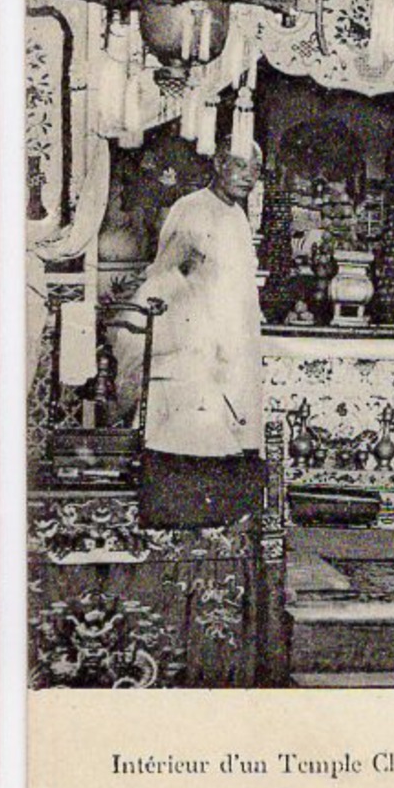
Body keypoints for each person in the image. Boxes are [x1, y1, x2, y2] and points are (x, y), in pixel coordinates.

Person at [119, 139, 265, 529]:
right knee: (186, 444)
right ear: (218, 164)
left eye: (255, 169)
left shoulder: (236, 215)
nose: (248, 176)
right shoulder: (192, 208)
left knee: (229, 441)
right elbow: (166, 277)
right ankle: (177, 539)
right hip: (193, 343)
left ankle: (215, 543)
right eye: (240, 166)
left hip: (231, 341)